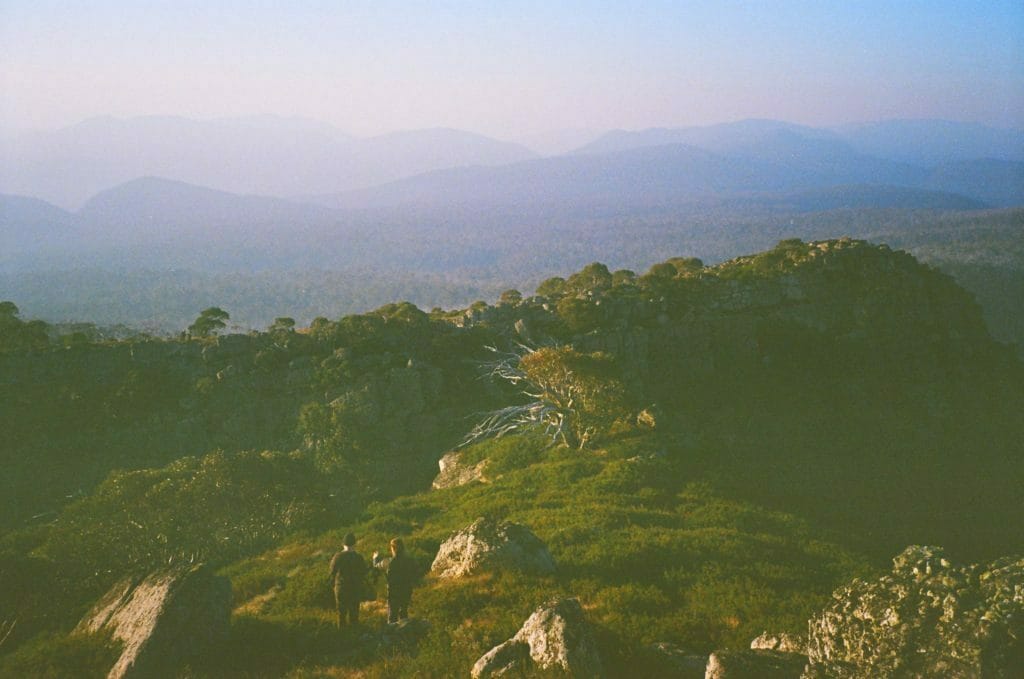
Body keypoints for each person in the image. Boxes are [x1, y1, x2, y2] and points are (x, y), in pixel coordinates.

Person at [373, 538, 418, 624]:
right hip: (406, 590)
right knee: (404, 613)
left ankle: (392, 634)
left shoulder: (388, 562)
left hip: (393, 592)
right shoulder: (410, 560)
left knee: (392, 616)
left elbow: (376, 566)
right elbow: (415, 573)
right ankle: (404, 632)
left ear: (393, 548)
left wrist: (375, 558)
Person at [329, 532, 367, 628]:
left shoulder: (338, 556)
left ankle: (343, 639)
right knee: (354, 616)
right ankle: (354, 638)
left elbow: (332, 572)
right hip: (355, 589)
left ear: (343, 544)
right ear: (355, 544)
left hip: (341, 588)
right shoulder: (359, 557)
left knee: (341, 616)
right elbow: (364, 573)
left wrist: (333, 585)